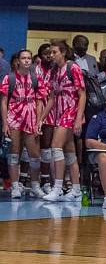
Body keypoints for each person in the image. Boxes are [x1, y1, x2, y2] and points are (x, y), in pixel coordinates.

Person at [0, 49, 50, 199]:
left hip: (31, 119)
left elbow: (40, 101)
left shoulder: (36, 79)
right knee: (14, 154)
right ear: (18, 61)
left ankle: (34, 185)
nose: (27, 60)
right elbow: (3, 102)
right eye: (24, 58)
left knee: (34, 155)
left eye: (29, 58)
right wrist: (4, 123)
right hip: (14, 118)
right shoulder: (9, 78)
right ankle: (15, 186)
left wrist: (39, 120)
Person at [42, 40, 86, 202]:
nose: (51, 55)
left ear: (63, 52)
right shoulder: (53, 71)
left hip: (71, 111)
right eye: (50, 53)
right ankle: (76, 189)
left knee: (55, 146)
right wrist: (41, 118)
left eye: (54, 52)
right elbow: (52, 98)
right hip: (59, 113)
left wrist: (78, 118)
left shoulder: (72, 68)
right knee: (69, 152)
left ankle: (58, 187)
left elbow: (82, 94)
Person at [35, 43, 55, 193]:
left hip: (53, 110)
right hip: (34, 109)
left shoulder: (57, 70)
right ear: (40, 55)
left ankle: (46, 180)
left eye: (51, 53)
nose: (49, 55)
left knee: (47, 147)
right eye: (45, 53)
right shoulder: (34, 70)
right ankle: (29, 181)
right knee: (33, 147)